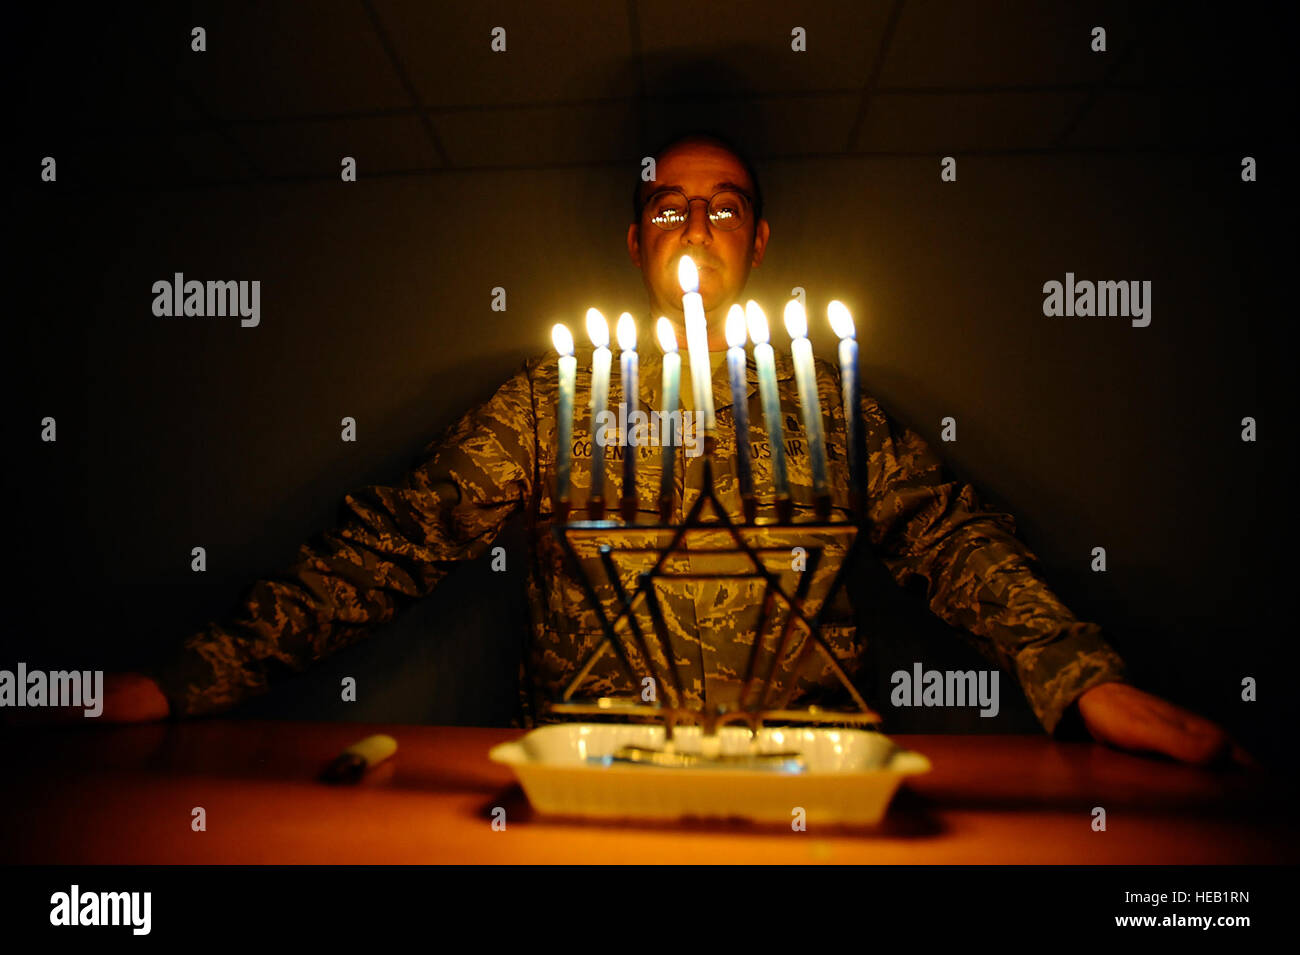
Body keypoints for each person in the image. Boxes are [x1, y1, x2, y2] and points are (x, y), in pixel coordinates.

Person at [94, 131, 1248, 768]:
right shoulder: (550, 407)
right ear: (635, 237)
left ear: (758, 238)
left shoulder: (827, 409)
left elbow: (952, 540)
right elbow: (385, 549)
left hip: (811, 786)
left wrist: (1079, 675)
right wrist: (187, 680)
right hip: (587, 776)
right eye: (668, 205)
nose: (696, 228)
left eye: (723, 206)